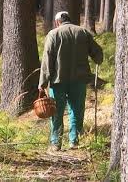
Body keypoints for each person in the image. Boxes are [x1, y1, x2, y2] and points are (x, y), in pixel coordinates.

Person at [38, 11, 103, 151]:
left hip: (57, 81)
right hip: (79, 80)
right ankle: (74, 141)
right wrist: (98, 59)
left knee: (56, 111)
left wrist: (42, 83)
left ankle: (56, 143)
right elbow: (97, 53)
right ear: (69, 19)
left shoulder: (53, 34)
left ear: (57, 22)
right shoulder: (83, 33)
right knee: (77, 110)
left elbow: (47, 60)